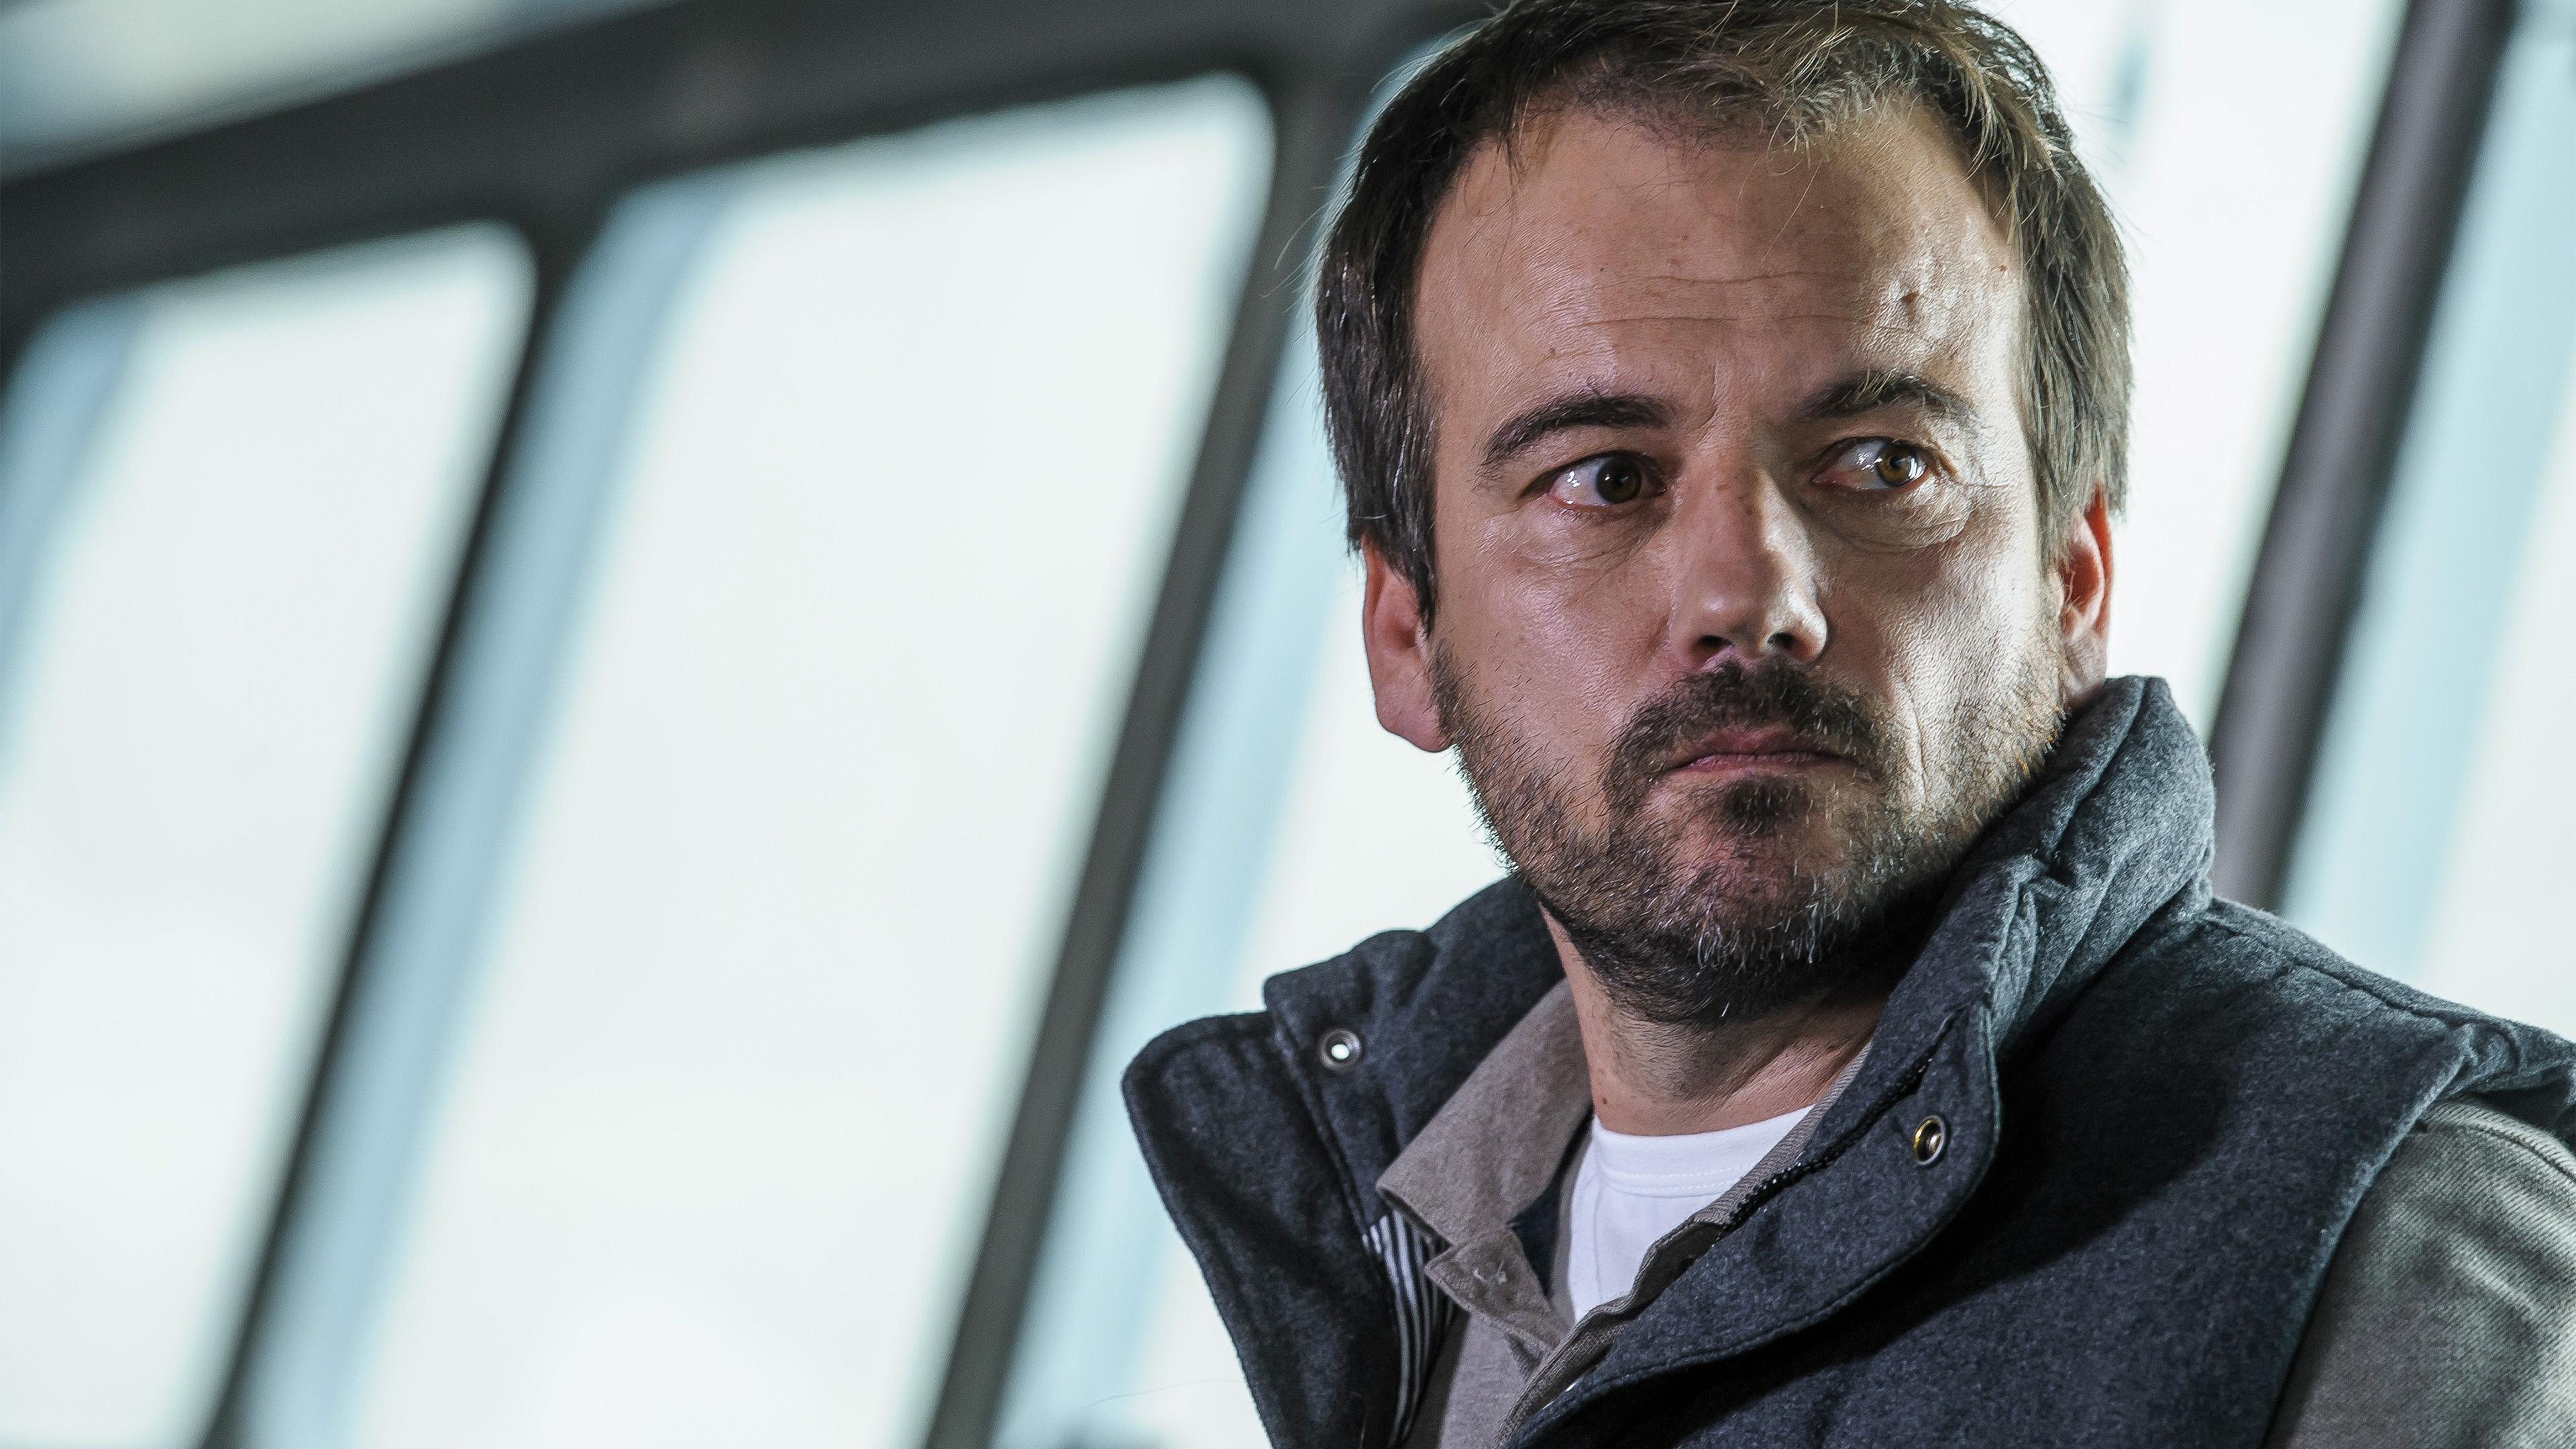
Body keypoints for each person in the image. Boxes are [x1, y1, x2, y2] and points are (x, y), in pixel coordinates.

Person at [1122, 1, 2576, 1444]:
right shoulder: (1409, 1256)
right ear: (1405, 636)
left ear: (2074, 580)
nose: (1748, 595)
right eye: (1605, 477)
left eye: (1882, 463)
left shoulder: (2401, 1258)